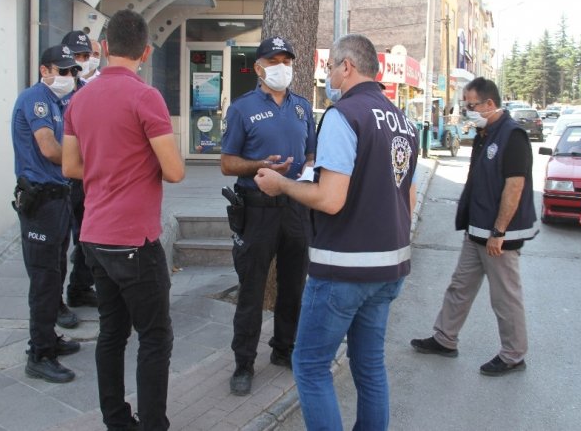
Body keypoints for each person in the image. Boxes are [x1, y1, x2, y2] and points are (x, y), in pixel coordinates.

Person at [254, 33, 419, 430]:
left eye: (329, 67)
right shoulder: (404, 122)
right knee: (370, 366)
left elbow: (330, 200)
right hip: (389, 267)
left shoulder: (344, 115)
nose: (327, 75)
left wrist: (283, 186)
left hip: (344, 267)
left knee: (310, 365)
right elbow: (406, 198)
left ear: (347, 67)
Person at [62, 9, 185, 430]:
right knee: (155, 338)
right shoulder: (146, 97)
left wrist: (108, 165)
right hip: (135, 241)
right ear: (146, 52)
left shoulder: (79, 98)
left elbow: (70, 166)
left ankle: (116, 420)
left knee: (111, 335)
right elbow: (174, 170)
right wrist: (134, 164)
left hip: (94, 237)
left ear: (106, 48)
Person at [410, 76, 537, 376]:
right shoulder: (486, 133)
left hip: (499, 237)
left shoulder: (512, 135)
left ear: (489, 104)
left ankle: (513, 355)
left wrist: (499, 232)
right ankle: (445, 338)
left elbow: (514, 187)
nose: (466, 111)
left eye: (470, 106)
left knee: (505, 297)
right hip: (477, 231)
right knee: (460, 287)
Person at [220, 36, 316, 396]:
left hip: (294, 209)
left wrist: (305, 171)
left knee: (293, 286)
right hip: (256, 210)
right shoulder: (243, 108)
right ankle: (243, 363)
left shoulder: (303, 107)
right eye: (275, 60)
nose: (283, 67)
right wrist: (260, 165)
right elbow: (227, 163)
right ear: (259, 67)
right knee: (252, 291)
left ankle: (284, 349)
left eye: (287, 61)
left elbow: (310, 156)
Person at [10, 44, 81, 383]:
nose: (68, 76)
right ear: (45, 70)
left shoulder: (59, 101)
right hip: (41, 201)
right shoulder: (36, 99)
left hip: (59, 197)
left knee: (56, 270)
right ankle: (39, 354)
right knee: (43, 278)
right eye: (62, 70)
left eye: (71, 71)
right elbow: (50, 148)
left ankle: (49, 336)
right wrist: (91, 166)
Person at [59, 30, 98, 314]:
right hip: (58, 181)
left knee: (86, 239)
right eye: (77, 56)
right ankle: (55, 305)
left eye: (86, 56)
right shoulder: (50, 93)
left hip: (84, 179)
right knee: (58, 246)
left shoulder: (87, 92)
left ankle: (79, 289)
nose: (82, 61)